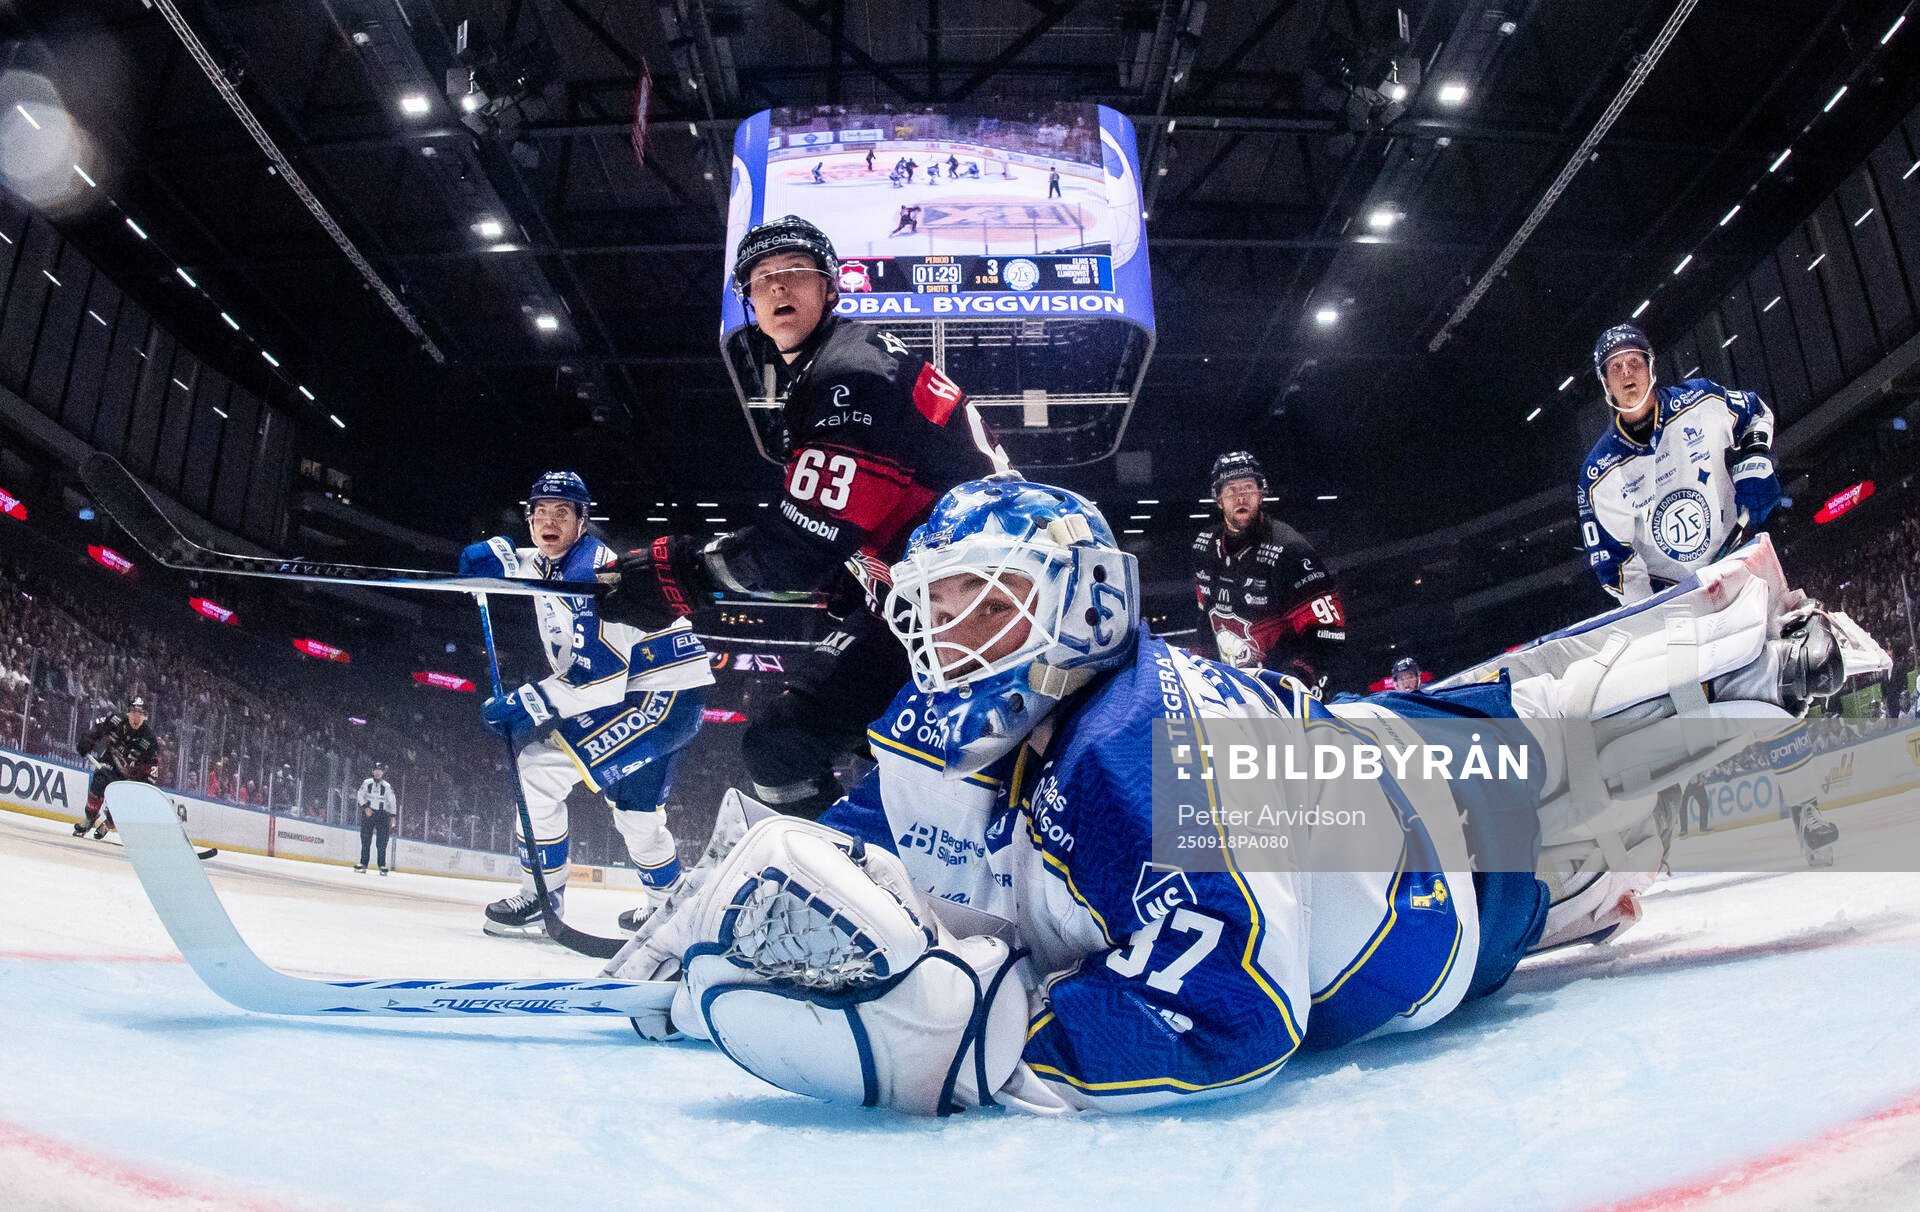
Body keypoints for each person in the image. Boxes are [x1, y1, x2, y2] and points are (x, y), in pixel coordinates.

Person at [608, 478, 1851, 1116]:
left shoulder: (1139, 757)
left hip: (1450, 885)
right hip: (1350, 764)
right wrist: (744, 900)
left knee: (1578, 762)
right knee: (1496, 717)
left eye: (983, 608)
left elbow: (1233, 1016)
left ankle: (1762, 668)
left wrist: (988, 1044)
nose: (945, 649)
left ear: (1082, 605)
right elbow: (869, 836)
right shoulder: (993, 714)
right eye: (932, 615)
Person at [599, 215, 1008, 821]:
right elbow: (883, 508)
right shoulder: (847, 361)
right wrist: (853, 577)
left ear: (831, 286)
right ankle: (884, 859)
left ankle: (861, 871)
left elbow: (804, 541)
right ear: (750, 303)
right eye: (761, 278)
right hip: (947, 600)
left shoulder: (849, 374)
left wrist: (675, 573)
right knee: (824, 747)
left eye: (794, 271)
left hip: (975, 611)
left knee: (783, 747)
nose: (777, 286)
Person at [459, 471, 715, 937]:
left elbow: (601, 683)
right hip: (671, 691)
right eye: (540, 512)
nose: (549, 522)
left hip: (655, 696)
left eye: (562, 513)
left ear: (582, 521)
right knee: (636, 814)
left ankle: (540, 894)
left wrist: (529, 701)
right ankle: (670, 908)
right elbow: (535, 565)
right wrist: (500, 554)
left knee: (537, 770)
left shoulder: (591, 576)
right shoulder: (562, 560)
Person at [1577, 322, 1780, 603]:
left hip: (1743, 556)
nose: (1626, 372)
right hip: (1681, 597)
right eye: (1615, 367)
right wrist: (1654, 611)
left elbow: (1755, 413)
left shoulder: (1699, 401)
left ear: (1651, 368)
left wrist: (1756, 456)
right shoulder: (1599, 474)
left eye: (1634, 361)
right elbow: (1617, 566)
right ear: (1606, 383)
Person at [1190, 450, 1347, 692]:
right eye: (1231, 490)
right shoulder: (1204, 546)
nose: (1241, 497)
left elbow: (1328, 634)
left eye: (1248, 487)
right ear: (1218, 498)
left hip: (1283, 685)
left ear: (1261, 493)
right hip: (1233, 686)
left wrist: (1293, 680)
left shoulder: (1290, 549)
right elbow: (1205, 618)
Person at [73, 695, 160, 839]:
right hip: (111, 761)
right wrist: (87, 740)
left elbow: (152, 767)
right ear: (128, 712)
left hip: (132, 775)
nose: (136, 717)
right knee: (98, 783)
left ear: (145, 716)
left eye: (140, 713)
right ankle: (90, 817)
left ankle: (109, 823)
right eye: (133, 712)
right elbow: (97, 728)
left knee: (121, 804)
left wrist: (146, 784)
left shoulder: (149, 739)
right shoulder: (115, 720)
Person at [355, 762, 397, 874]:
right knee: (365, 839)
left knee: (382, 841)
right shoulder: (366, 783)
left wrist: (393, 817)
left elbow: (392, 802)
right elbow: (360, 795)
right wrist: (365, 807)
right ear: (372, 771)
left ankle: (382, 866)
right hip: (369, 814)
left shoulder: (387, 786)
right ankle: (363, 864)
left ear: (383, 772)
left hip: (382, 815)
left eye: (380, 770)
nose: (378, 772)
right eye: (376, 770)